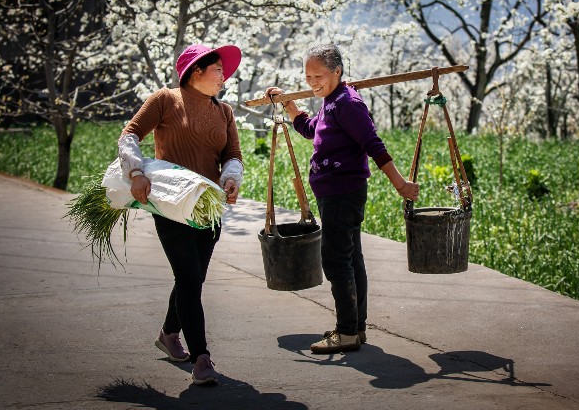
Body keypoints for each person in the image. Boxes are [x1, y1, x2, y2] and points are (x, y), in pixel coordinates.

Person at [266, 43, 419, 354]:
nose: (312, 83)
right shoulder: (332, 102)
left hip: (342, 193)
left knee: (336, 260)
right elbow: (312, 130)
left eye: (318, 75)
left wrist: (399, 183)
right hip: (334, 193)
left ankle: (346, 331)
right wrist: (288, 106)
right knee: (350, 258)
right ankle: (356, 327)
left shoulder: (348, 103)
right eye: (307, 77)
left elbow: (373, 144)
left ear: (337, 71)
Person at [118, 44, 244, 385]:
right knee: (189, 278)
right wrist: (135, 173)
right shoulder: (165, 99)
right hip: (171, 205)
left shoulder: (225, 112)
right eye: (218, 69)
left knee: (192, 279)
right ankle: (201, 358)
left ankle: (169, 333)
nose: (224, 75)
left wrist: (230, 179)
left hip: (208, 207)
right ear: (196, 71)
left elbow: (233, 153)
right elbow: (130, 135)